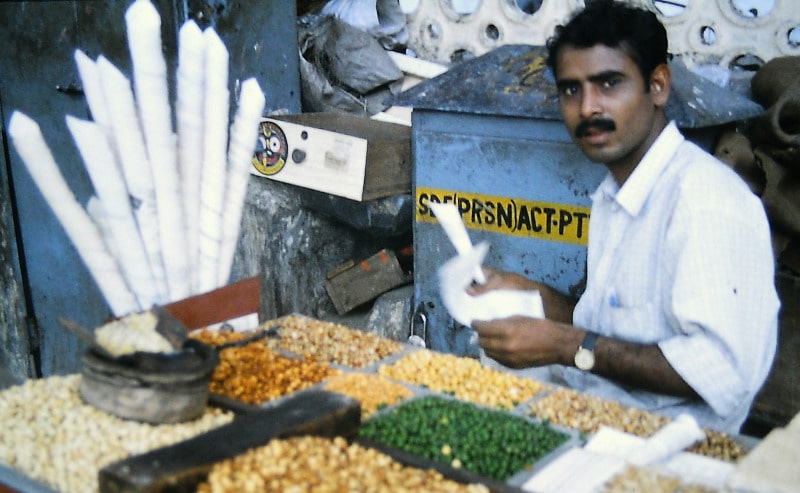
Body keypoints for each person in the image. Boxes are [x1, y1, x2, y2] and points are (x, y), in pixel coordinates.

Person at [467, 0, 780, 433]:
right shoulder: (617, 196)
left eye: (608, 84)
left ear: (657, 86)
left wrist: (564, 344)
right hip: (601, 411)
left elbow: (723, 375)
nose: (588, 107)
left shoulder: (704, 201)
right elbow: (611, 330)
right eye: (571, 89)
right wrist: (533, 297)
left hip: (669, 445)